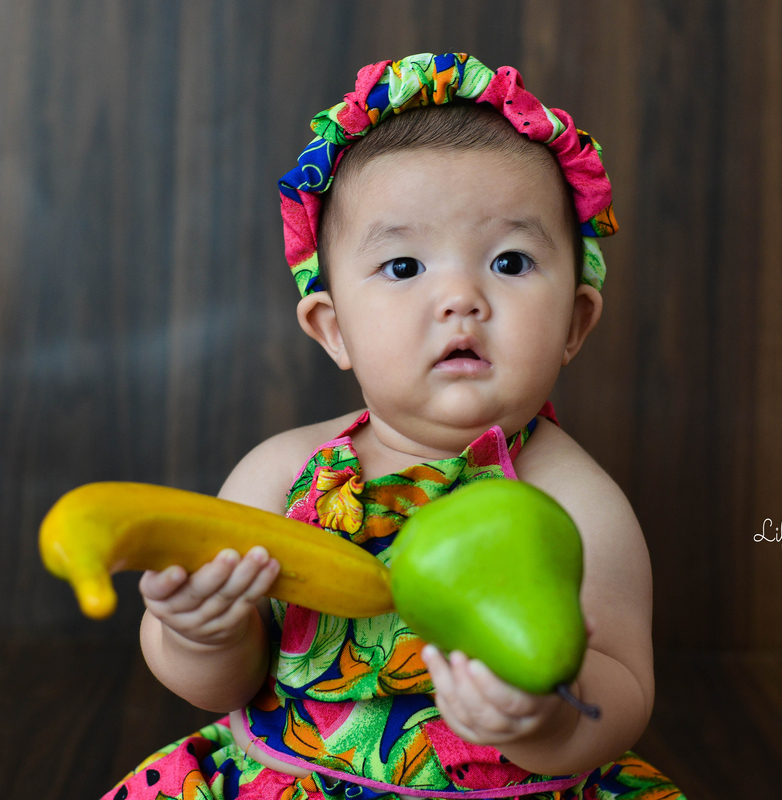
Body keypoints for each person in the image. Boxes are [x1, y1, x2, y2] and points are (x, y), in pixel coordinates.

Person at [103, 53, 683, 800]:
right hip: (290, 780)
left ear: (575, 321)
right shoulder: (283, 474)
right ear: (333, 328)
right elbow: (224, 686)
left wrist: (542, 719)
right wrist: (200, 633)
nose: (461, 298)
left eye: (509, 260)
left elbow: (625, 693)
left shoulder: (575, 502)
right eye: (405, 267)